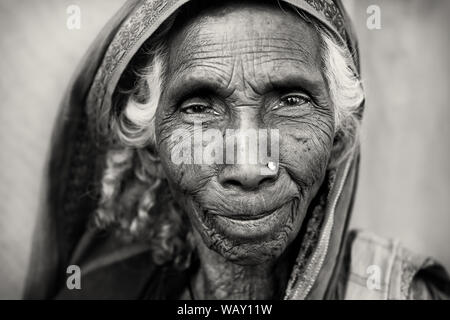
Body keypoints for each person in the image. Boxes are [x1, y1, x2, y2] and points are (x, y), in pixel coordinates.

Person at [24, 0, 450, 299]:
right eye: (198, 108)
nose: (248, 166)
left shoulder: (401, 292)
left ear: (339, 137)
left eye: (291, 101)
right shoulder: (97, 293)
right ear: (153, 148)